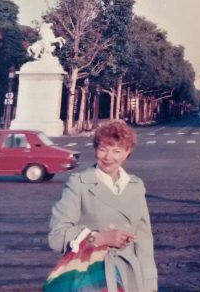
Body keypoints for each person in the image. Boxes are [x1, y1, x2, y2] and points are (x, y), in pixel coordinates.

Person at [47, 120, 158, 292]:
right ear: (95, 149)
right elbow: (56, 236)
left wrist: (149, 286)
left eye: (116, 151)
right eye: (103, 149)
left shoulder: (136, 186)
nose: (108, 157)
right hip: (91, 277)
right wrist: (98, 238)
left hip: (130, 278)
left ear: (127, 152)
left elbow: (144, 241)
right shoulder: (79, 183)